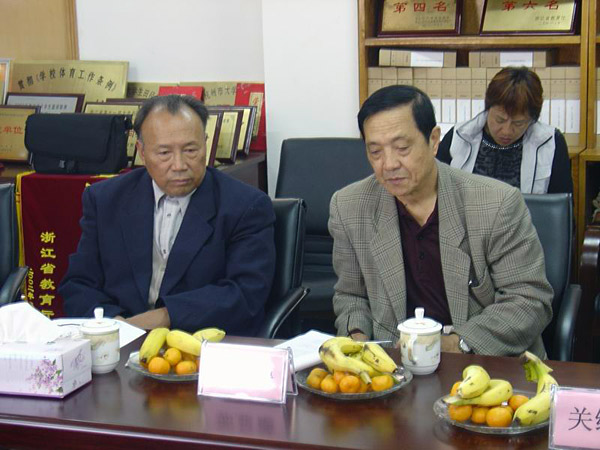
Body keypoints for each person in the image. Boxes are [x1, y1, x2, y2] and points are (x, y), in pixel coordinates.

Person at [329, 85, 553, 357]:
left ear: (434, 140)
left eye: (402, 148)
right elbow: (351, 296)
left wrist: (458, 343)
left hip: (485, 361)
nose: (388, 164)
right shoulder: (349, 206)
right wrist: (357, 340)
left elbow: (529, 300)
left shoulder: (496, 204)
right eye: (375, 152)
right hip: (393, 364)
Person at [60, 95, 276, 335]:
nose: (179, 165)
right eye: (164, 153)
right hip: (117, 337)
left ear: (205, 144)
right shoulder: (105, 199)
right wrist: (115, 325)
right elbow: (79, 284)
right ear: (142, 152)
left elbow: (246, 293)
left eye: (191, 150)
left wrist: (166, 316)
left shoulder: (245, 206)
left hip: (201, 341)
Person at [437, 66, 572, 194]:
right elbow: (434, 195)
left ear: (532, 119)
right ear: (488, 108)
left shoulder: (550, 143)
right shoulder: (459, 137)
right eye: (500, 120)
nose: (506, 131)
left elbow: (560, 206)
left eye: (518, 123)